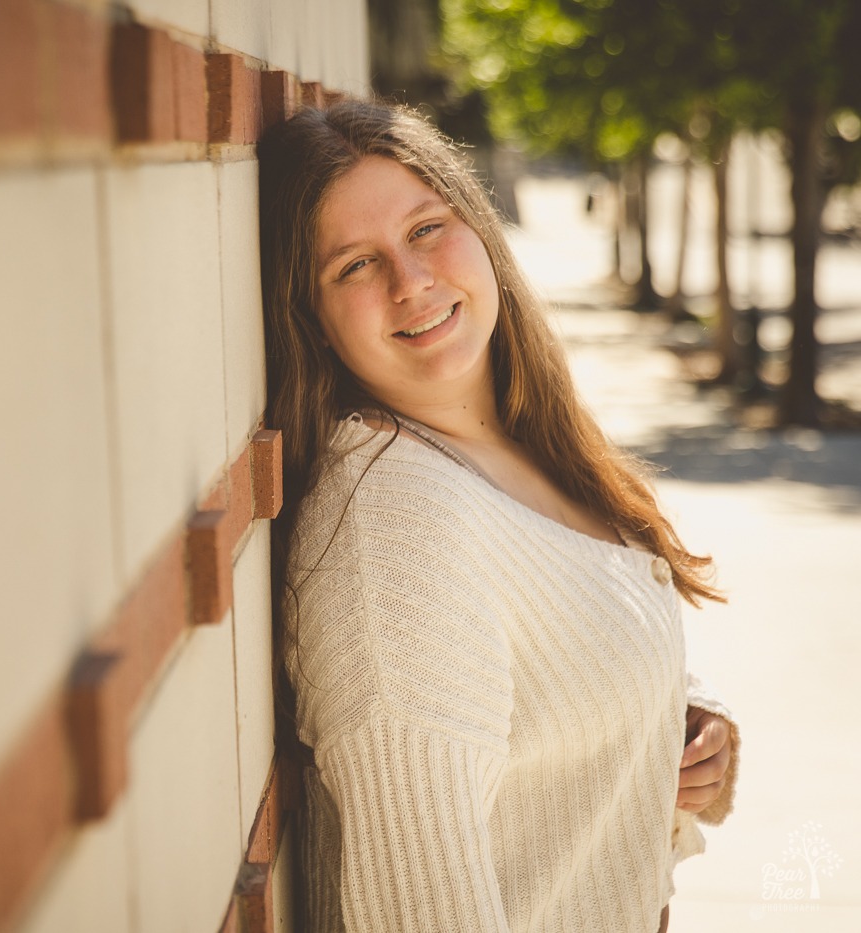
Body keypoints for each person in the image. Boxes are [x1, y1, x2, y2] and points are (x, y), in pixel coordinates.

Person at [257, 101, 740, 933]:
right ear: (315, 323)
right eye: (353, 266)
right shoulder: (392, 530)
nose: (411, 283)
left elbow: (544, 634)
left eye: (425, 229)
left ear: (479, 229)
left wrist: (685, 727)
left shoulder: (516, 438)